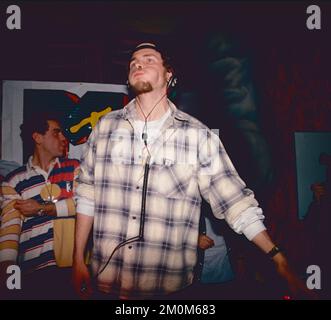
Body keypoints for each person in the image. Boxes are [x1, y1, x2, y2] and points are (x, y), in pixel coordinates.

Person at [72, 42, 311, 300]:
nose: (138, 64)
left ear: (168, 75)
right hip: (106, 281)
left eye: (149, 59)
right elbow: (87, 194)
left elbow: (235, 202)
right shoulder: (105, 127)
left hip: (167, 288)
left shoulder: (197, 136)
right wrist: (77, 260)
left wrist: (277, 258)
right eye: (133, 62)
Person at [0, 112, 80, 299]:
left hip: (72, 269)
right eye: (56, 133)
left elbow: (84, 204)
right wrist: (8, 274)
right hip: (32, 272)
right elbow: (9, 231)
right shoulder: (14, 180)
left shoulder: (74, 168)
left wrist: (42, 208)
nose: (63, 138)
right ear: (37, 137)